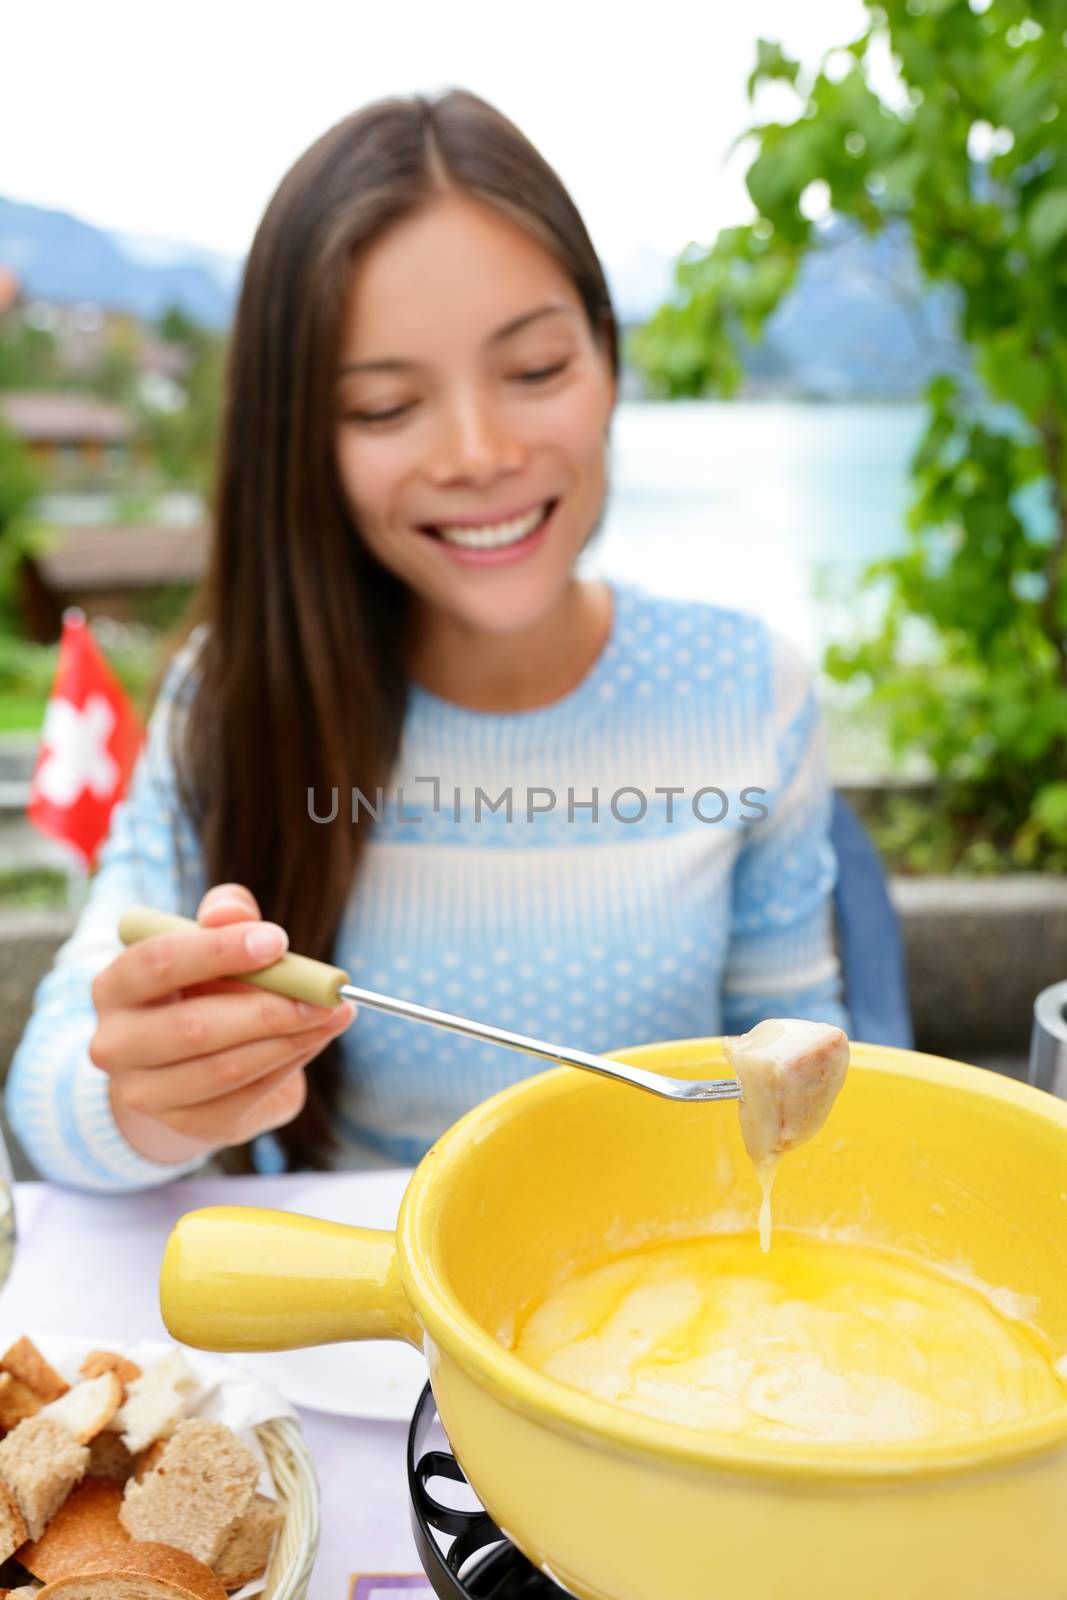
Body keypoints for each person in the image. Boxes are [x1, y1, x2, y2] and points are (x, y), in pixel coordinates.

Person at [6, 89, 850, 1193]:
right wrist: (144, 1098)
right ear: (302, 436)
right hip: (344, 1334)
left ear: (604, 359)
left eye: (536, 370)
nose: (478, 451)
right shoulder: (231, 699)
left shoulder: (750, 693)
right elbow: (51, 1094)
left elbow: (813, 1076)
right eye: (384, 407)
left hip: (660, 1314)